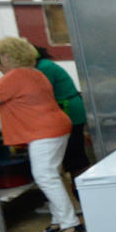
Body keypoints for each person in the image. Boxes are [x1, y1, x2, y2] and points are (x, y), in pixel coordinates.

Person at [0, 38, 82, 232]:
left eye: (1, 56)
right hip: (55, 126)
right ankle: (58, 219)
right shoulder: (35, 73)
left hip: (44, 130)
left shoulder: (16, 75)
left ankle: (69, 222)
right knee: (52, 175)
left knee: (45, 176)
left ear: (8, 56)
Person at [32, 45, 90, 177]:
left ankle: (82, 189)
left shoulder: (43, 68)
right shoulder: (43, 65)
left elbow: (36, 92)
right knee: (74, 153)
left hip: (70, 112)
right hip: (70, 110)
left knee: (75, 155)